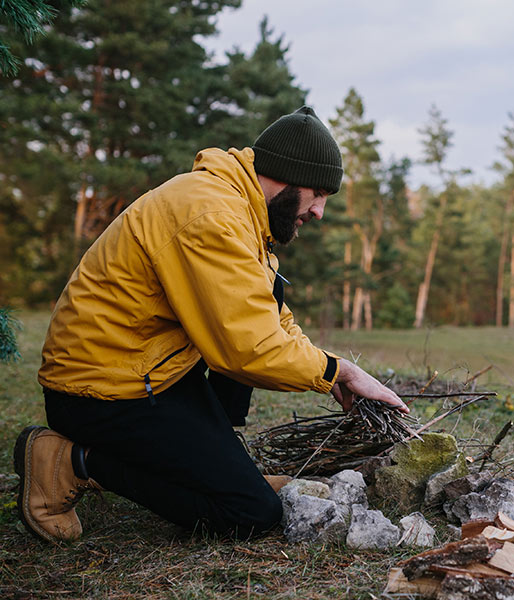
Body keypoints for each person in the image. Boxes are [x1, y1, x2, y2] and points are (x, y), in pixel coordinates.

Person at [15, 106, 408, 543]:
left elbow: (265, 317)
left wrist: (329, 365)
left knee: (268, 290)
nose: (318, 212)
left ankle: (220, 463)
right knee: (249, 512)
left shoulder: (240, 212)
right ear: (285, 175)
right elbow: (248, 347)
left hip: (151, 370)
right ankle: (71, 461)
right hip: (99, 391)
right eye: (317, 194)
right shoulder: (210, 215)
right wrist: (337, 371)